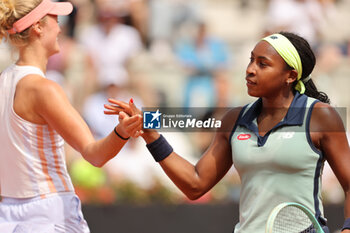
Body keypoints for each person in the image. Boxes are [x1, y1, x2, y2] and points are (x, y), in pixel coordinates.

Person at [105, 32, 350, 232]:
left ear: (290, 76)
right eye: (251, 60)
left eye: (262, 64)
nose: (250, 69)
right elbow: (195, 184)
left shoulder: (321, 116)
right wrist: (151, 135)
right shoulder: (234, 119)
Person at [0, 0, 142, 232]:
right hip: (49, 212)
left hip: (7, 214)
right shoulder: (44, 89)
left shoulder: (3, 80)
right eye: (55, 19)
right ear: (37, 27)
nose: (60, 27)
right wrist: (123, 131)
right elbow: (95, 155)